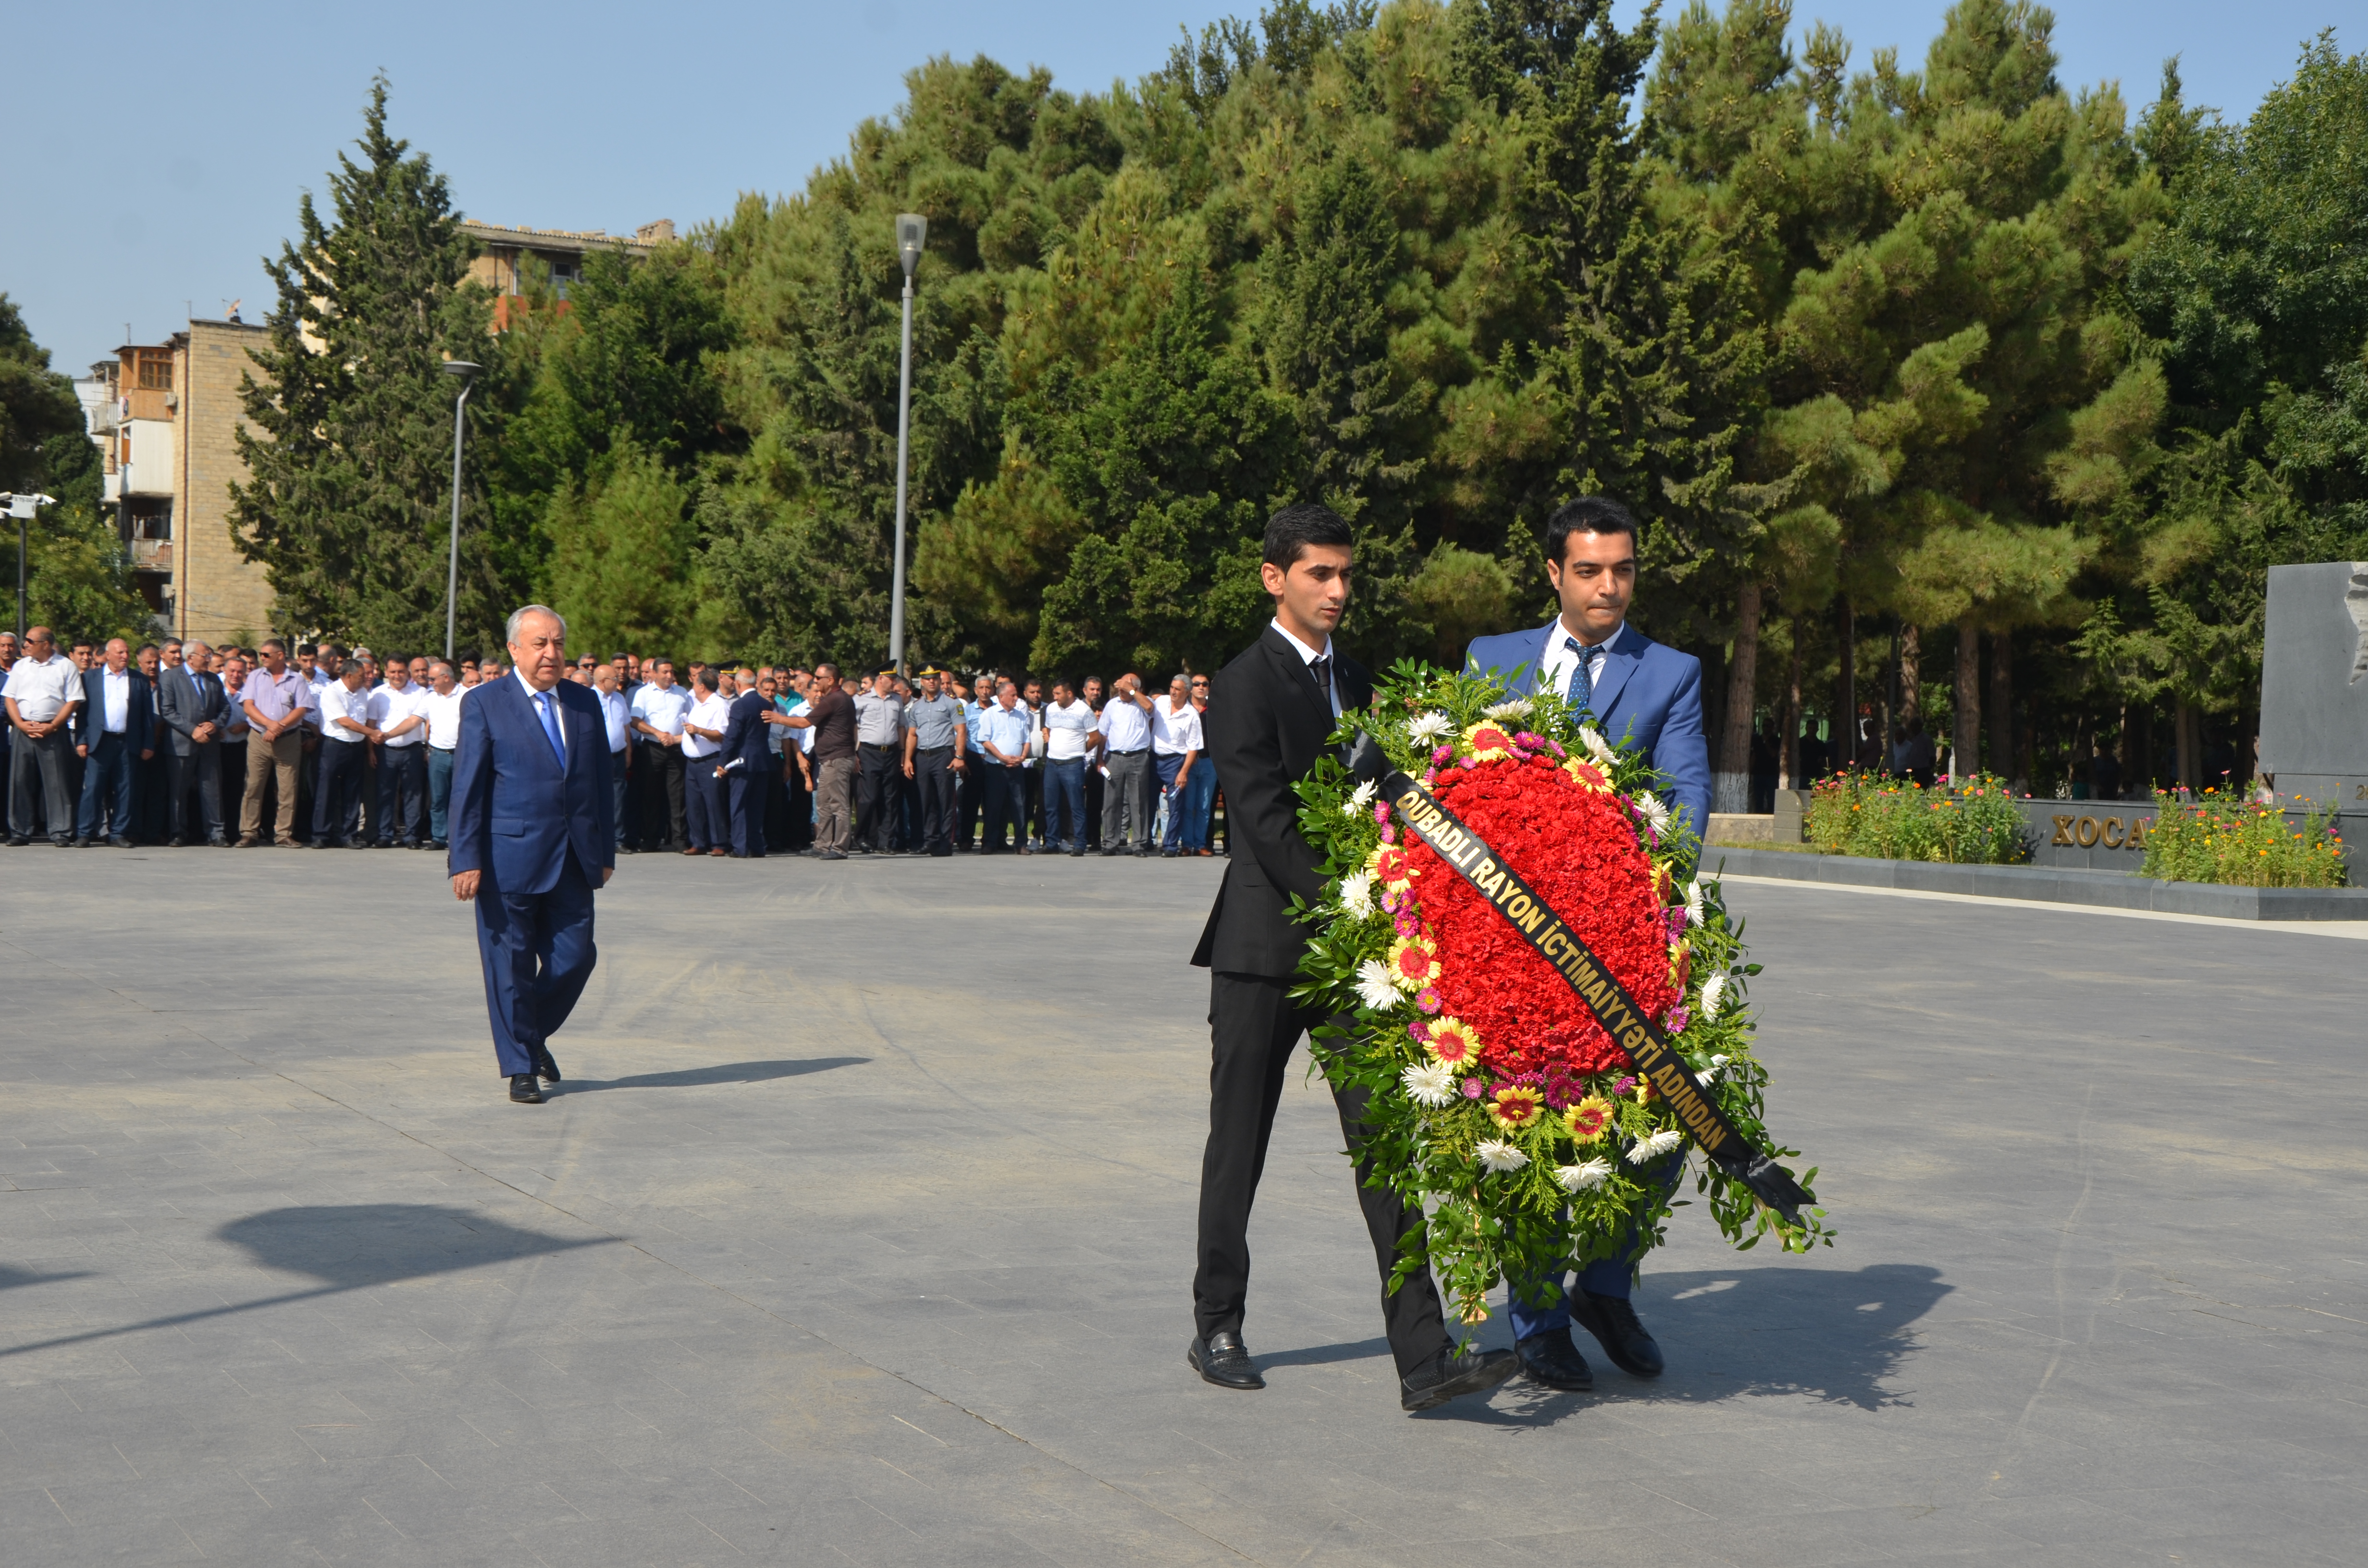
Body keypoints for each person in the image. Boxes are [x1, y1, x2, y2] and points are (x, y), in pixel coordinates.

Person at [1189, 503, 1515, 1411]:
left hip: (1360, 960)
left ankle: (1423, 1355)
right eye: (1318, 575)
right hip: (1264, 948)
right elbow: (1262, 819)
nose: (1337, 591)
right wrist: (1348, 901)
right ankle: (1216, 1318)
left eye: (1344, 575)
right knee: (1237, 1142)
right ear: (1274, 577)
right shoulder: (1242, 682)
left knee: (1385, 1144)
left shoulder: (1361, 679)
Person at [1462, 493, 1712, 1393]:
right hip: (1507, 942)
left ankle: (1605, 1285)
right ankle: (1537, 1316)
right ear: (1553, 574)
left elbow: (1684, 802)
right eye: (1590, 570)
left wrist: (1637, 907)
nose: (1609, 586)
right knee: (1513, 1119)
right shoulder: (1488, 661)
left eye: (1624, 569)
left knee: (1671, 1110)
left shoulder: (1669, 671)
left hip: (1626, 942)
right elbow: (1461, 784)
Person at [448, 605, 616, 1105]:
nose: (551, 653)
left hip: (573, 857)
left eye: (558, 643)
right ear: (515, 650)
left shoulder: (584, 702)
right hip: (507, 858)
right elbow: (468, 787)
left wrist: (605, 849)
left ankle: (529, 1034)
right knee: (511, 964)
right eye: (540, 644)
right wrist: (464, 858)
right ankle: (520, 1066)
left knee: (576, 957)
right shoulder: (485, 703)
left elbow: (600, 785)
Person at [74, 637, 156, 847]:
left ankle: (118, 833)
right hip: (99, 742)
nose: (125, 656)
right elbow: (82, 715)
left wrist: (148, 744)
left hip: (128, 742)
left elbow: (148, 717)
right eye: (120, 652)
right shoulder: (91, 678)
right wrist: (82, 741)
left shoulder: (139, 680)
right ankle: (85, 832)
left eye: (127, 652)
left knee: (125, 789)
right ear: (108, 655)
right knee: (92, 788)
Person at [5, 626, 81, 846]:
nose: (25, 644)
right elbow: (10, 697)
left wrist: (55, 726)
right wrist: (20, 723)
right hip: (24, 729)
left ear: (45, 644)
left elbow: (73, 700)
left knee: (57, 782)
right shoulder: (21, 666)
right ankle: (20, 830)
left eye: (30, 641)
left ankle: (60, 832)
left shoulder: (66, 666)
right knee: (20, 780)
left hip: (52, 731)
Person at [158, 639, 230, 846]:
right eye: (205, 656)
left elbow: (225, 709)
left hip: (209, 744)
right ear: (191, 658)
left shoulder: (214, 679)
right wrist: (193, 730)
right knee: (179, 791)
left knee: (212, 790)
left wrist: (215, 724)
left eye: (209, 656)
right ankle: (178, 832)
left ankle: (216, 833)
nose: (209, 659)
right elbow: (168, 710)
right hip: (181, 744)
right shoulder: (170, 678)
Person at [238, 640, 309, 847]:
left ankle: (284, 834)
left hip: (288, 740)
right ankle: (249, 832)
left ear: (280, 656)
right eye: (261, 655)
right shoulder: (255, 677)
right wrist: (270, 725)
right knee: (253, 785)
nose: (262, 658)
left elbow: (301, 709)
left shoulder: (297, 680)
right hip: (259, 737)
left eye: (266, 655)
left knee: (288, 789)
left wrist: (280, 727)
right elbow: (248, 706)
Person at [901, 668, 965, 857]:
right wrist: (907, 760)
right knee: (925, 800)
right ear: (921, 682)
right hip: (922, 756)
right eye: (927, 679)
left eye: (935, 679)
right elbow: (912, 735)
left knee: (946, 801)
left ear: (940, 681)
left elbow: (961, 731)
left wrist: (959, 757)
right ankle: (930, 841)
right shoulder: (917, 707)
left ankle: (946, 842)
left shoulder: (952, 704)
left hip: (943, 755)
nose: (931, 682)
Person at [310, 657, 373, 848]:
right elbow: (343, 721)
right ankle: (321, 834)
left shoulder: (363, 693)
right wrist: (373, 733)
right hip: (334, 747)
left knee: (353, 793)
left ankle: (348, 835)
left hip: (356, 748)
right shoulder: (332, 692)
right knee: (327, 791)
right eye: (361, 676)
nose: (365, 679)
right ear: (348, 676)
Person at [796, 662, 857, 860]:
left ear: (830, 680)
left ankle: (840, 848)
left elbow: (804, 722)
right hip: (829, 759)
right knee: (823, 803)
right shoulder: (839, 698)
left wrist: (777, 718)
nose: (815, 680)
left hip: (837, 759)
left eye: (818, 678)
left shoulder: (835, 699)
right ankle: (822, 845)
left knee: (839, 804)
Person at [629, 659, 691, 851]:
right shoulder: (644, 693)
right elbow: (635, 721)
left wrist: (676, 738)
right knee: (651, 795)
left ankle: (679, 839)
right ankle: (650, 839)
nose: (669, 676)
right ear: (654, 673)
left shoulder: (681, 693)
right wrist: (658, 734)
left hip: (676, 749)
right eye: (665, 672)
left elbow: (690, 720)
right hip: (652, 748)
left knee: (677, 795)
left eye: (671, 672)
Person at [370, 657, 432, 848]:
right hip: (385, 751)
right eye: (393, 672)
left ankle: (412, 836)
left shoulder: (420, 693)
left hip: (412, 749)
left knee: (414, 794)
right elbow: (371, 725)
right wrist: (370, 751)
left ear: (408, 673)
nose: (397, 676)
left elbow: (424, 722)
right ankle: (385, 834)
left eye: (401, 672)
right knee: (385, 793)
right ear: (386, 672)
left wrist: (426, 747)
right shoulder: (377, 694)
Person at [715, 667, 776, 858]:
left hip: (742, 762)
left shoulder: (740, 705)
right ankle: (757, 847)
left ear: (739, 684)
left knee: (739, 804)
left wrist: (723, 761)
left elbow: (732, 736)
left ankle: (740, 847)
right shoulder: (765, 703)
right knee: (757, 806)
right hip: (763, 760)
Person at [972, 677, 1034, 855]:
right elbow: (985, 741)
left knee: (1020, 806)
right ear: (1001, 697)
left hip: (1017, 768)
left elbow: (1026, 740)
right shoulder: (989, 715)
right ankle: (990, 842)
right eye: (1013, 695)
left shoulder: (1021, 715)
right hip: (996, 768)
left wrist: (1021, 757)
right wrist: (1003, 757)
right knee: (993, 806)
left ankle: (1021, 843)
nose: (1016, 698)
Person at [1098, 674, 1157, 855]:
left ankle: (1138, 844)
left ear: (1136, 689)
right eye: (1119, 689)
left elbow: (1149, 707)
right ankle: (1110, 842)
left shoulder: (1143, 702)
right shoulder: (1112, 705)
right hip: (1114, 757)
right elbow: (1103, 733)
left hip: (1138, 758)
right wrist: (1099, 759)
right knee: (1111, 802)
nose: (1120, 692)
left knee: (1138, 802)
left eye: (1124, 689)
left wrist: (1131, 690)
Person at [1039, 677, 1096, 856]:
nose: (1055, 697)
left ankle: (1079, 843)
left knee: (1076, 806)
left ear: (1069, 693)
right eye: (1054, 693)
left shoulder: (1084, 711)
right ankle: (1052, 842)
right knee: (1051, 805)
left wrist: (1079, 750)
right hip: (1052, 764)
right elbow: (1048, 730)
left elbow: (1095, 737)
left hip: (1073, 765)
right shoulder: (1051, 709)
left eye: (1058, 693)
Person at [1149, 673, 1204, 857]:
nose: (1173, 692)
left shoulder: (1192, 715)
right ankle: (1147, 842)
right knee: (1148, 803)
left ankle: (1170, 846)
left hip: (1175, 762)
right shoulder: (1161, 702)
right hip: (1154, 758)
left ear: (1187, 692)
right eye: (1172, 687)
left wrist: (1183, 772)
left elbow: (1193, 748)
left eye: (1177, 689)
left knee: (1175, 805)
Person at [852, 667, 905, 855]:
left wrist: (903, 752)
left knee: (890, 799)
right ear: (881, 679)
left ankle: (886, 842)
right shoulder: (861, 699)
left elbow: (900, 727)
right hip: (868, 752)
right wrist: (855, 753)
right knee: (869, 798)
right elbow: (854, 727)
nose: (895, 683)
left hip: (891, 752)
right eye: (892, 680)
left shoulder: (897, 700)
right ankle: (861, 837)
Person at [680, 670, 730, 856]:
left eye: (694, 684)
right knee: (694, 803)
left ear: (702, 686)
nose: (692, 687)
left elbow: (722, 735)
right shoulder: (698, 705)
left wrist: (699, 730)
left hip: (710, 761)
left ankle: (719, 843)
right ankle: (698, 842)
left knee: (713, 802)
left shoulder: (719, 706)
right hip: (692, 763)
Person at [592, 664, 633, 853]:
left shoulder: (619, 698)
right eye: (614, 679)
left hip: (618, 755)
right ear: (602, 681)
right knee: (596, 797)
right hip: (596, 757)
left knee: (618, 798)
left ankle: (618, 839)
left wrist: (629, 751)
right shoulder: (589, 698)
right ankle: (596, 838)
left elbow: (626, 726)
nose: (617, 682)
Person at [422, 661, 464, 849]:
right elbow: (414, 720)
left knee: (462, 798)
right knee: (438, 799)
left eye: (433, 679)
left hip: (462, 755)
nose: (430, 682)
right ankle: (439, 837)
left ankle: (460, 838)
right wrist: (388, 735)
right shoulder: (431, 698)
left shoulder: (466, 695)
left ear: (446, 677)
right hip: (438, 755)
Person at [1181, 672, 1218, 854]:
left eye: (1205, 684)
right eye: (1197, 684)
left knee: (1204, 807)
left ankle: (1201, 844)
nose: (1201, 687)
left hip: (1209, 762)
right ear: (1190, 689)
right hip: (1189, 763)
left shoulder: (1214, 710)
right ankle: (1187, 844)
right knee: (1188, 807)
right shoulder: (1185, 710)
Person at [1081, 674, 1108, 849]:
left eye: (1098, 689)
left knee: (1096, 804)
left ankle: (1097, 839)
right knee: (1077, 804)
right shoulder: (1077, 709)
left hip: (1100, 764)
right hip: (1080, 761)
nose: (1096, 693)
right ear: (1085, 691)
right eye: (1092, 689)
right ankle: (1080, 838)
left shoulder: (1106, 709)